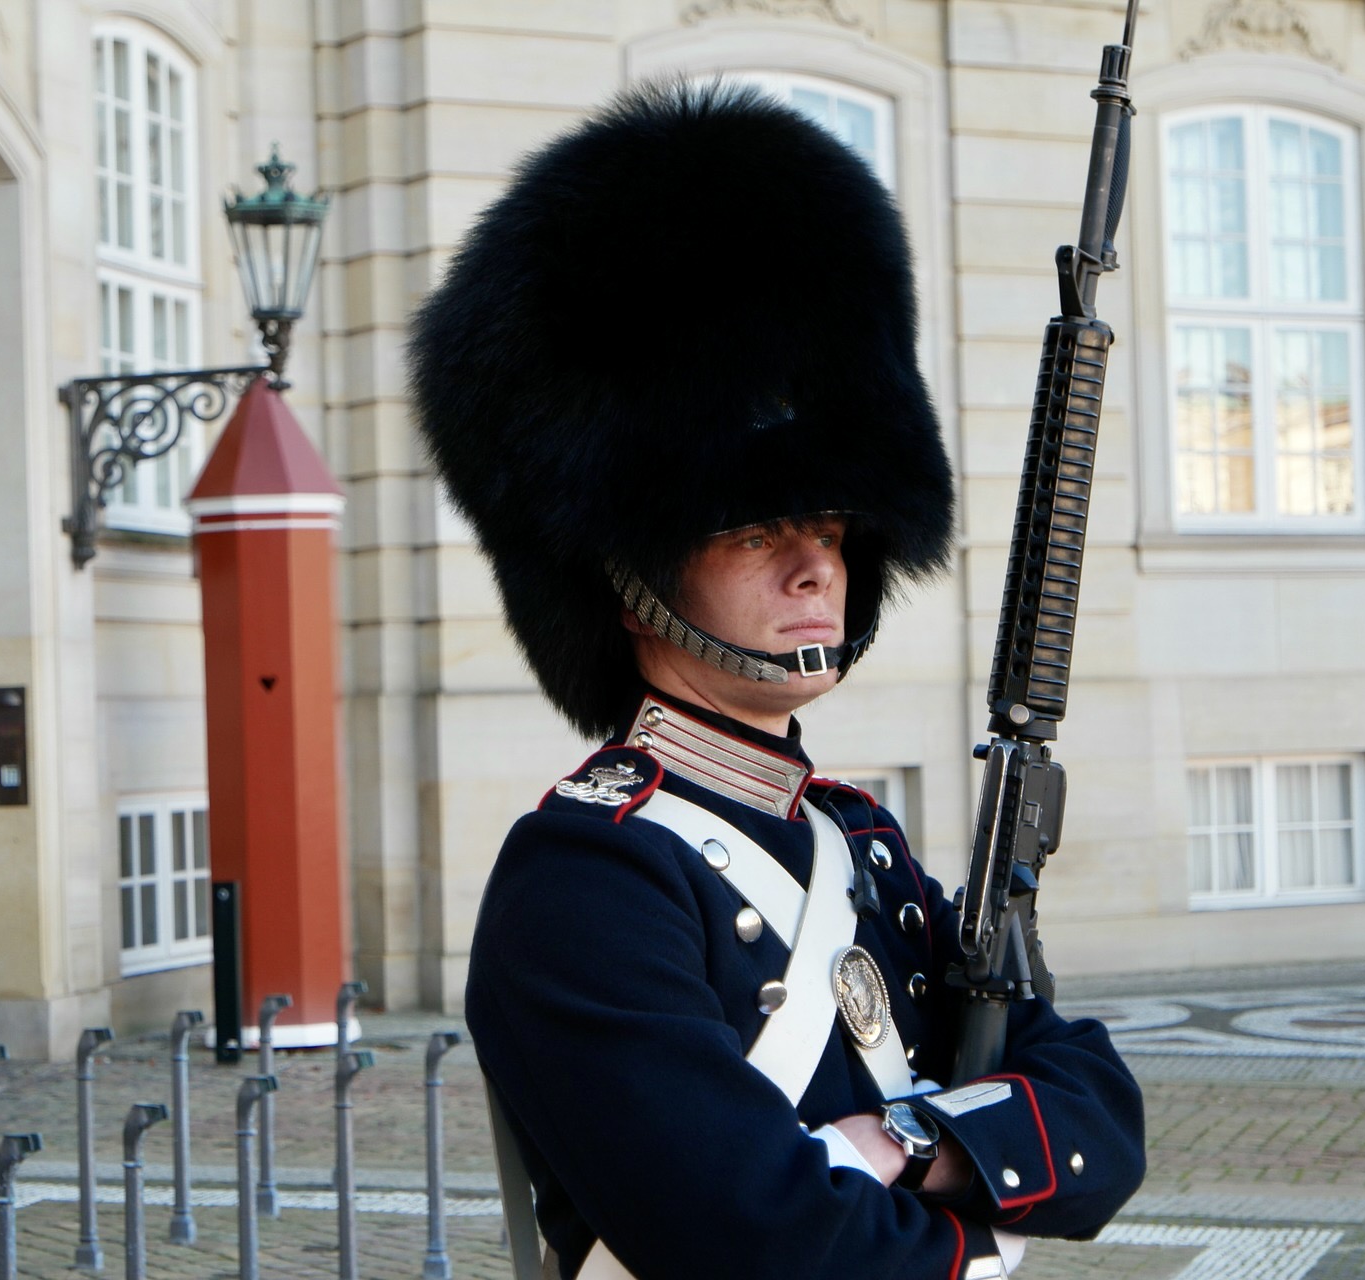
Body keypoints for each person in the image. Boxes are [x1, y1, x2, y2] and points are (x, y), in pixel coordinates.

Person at [408, 81, 1146, 1280]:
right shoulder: (589, 877)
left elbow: (1100, 1116)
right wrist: (971, 1222)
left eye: (833, 522)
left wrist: (903, 1136)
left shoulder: (858, 840)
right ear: (632, 566)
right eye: (755, 529)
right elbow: (760, 1235)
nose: (817, 561)